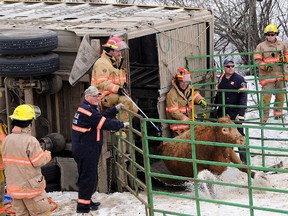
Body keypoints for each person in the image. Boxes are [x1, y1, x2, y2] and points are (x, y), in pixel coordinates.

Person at [71, 86, 129, 214]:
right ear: (87, 97)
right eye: (95, 96)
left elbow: (100, 117)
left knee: (86, 176)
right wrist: (121, 125)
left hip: (84, 148)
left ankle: (86, 200)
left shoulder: (88, 109)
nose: (98, 98)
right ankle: (83, 208)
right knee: (88, 177)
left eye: (98, 96)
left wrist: (114, 109)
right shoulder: (88, 111)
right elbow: (103, 123)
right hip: (86, 149)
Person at [2, 104, 52, 215]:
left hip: (15, 191)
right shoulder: (30, 141)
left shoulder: (7, 139)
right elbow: (39, 161)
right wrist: (47, 155)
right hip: (31, 191)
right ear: (29, 123)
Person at [91, 36, 138, 122]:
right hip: (102, 96)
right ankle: (119, 128)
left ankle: (120, 125)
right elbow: (101, 83)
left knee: (134, 109)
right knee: (125, 101)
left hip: (113, 94)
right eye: (118, 51)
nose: (120, 53)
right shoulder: (102, 63)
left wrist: (124, 85)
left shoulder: (116, 62)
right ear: (111, 50)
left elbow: (119, 78)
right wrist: (117, 89)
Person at [214, 57, 248, 163]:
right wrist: (215, 107)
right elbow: (219, 94)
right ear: (224, 67)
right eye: (228, 66)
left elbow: (243, 96)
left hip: (235, 112)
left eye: (232, 66)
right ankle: (228, 158)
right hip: (223, 112)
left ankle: (244, 161)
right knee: (225, 135)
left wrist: (241, 113)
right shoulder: (222, 78)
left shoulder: (239, 79)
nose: (230, 68)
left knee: (239, 135)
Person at [254, 24, 288, 122]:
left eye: (272, 34)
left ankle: (278, 114)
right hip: (267, 75)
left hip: (281, 74)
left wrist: (284, 59)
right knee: (266, 96)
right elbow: (257, 60)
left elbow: (287, 55)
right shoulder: (261, 46)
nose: (270, 36)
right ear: (266, 35)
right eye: (268, 35)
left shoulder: (282, 45)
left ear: (276, 34)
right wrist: (265, 66)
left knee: (281, 95)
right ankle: (264, 116)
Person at [166, 67, 207, 136]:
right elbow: (173, 112)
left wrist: (200, 100)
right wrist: (186, 119)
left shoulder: (189, 89)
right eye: (182, 81)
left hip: (190, 125)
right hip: (179, 128)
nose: (184, 84)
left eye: (186, 82)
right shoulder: (172, 94)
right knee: (182, 145)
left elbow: (195, 95)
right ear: (177, 81)